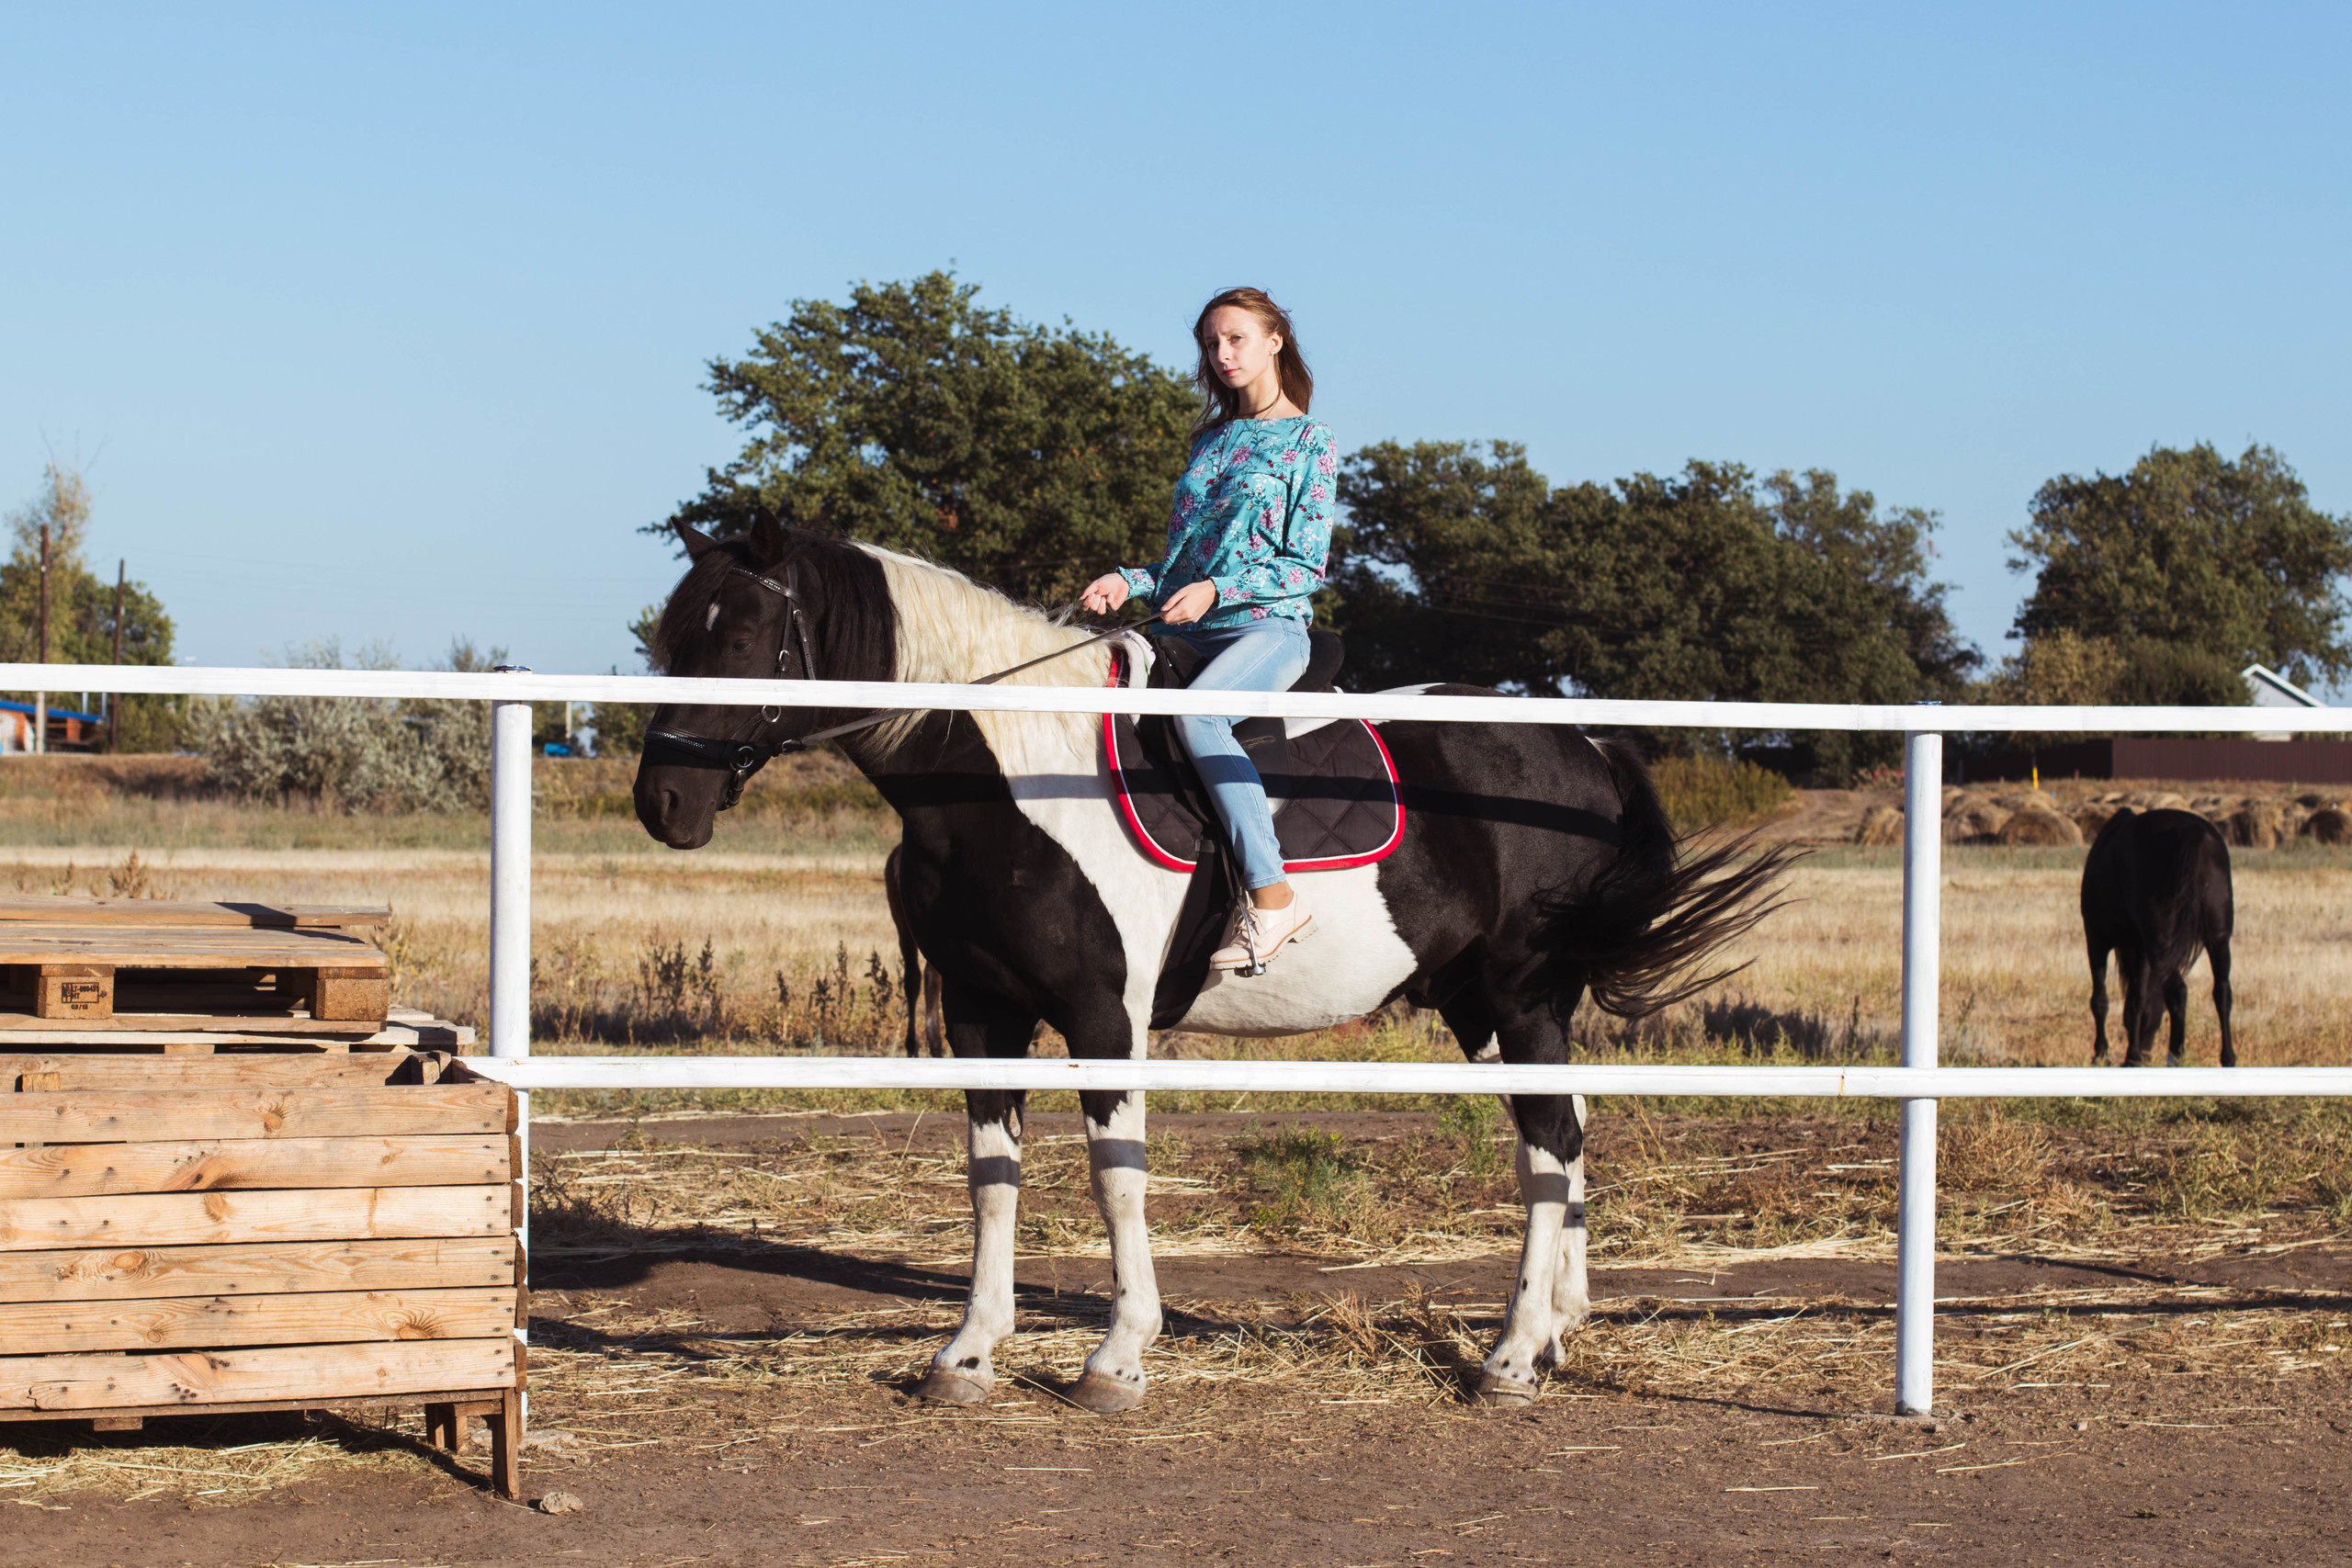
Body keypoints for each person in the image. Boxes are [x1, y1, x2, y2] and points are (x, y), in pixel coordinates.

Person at [1080, 288, 1336, 972]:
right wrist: (1128, 580)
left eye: (1236, 340)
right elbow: (1180, 565)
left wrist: (1220, 589)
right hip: (1188, 626)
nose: (1222, 356)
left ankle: (1275, 897)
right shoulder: (1213, 440)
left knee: (1198, 718)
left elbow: (1306, 566)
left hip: (1266, 628)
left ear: (1274, 339)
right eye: (1211, 345)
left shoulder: (1310, 441)